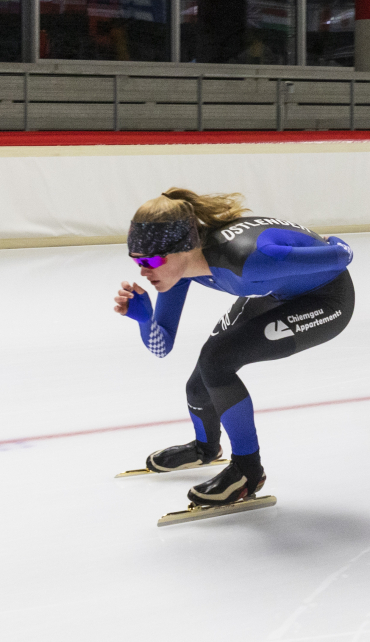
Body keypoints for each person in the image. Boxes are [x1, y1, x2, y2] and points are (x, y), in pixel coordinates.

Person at [115, 189, 355, 511]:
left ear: (183, 247)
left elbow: (342, 256)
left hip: (326, 300)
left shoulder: (247, 260)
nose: (144, 271)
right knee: (200, 382)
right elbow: (162, 346)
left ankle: (247, 471)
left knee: (217, 361)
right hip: (276, 290)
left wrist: (333, 241)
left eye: (152, 261)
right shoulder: (182, 267)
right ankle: (205, 448)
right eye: (137, 261)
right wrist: (145, 320)